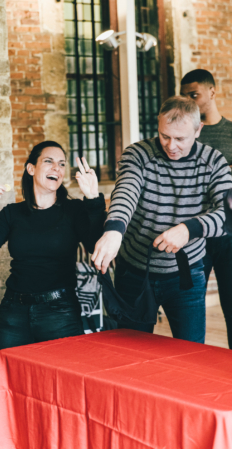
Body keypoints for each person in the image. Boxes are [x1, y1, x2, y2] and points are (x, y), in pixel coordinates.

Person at [91, 96, 232, 343]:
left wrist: (189, 230)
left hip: (186, 276)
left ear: (199, 130)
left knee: (190, 355)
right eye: (164, 135)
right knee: (130, 352)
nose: (170, 145)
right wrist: (114, 230)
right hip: (134, 271)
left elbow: (227, 214)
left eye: (180, 139)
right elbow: (126, 192)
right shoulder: (137, 154)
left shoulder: (213, 161)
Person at [0, 141, 105, 398]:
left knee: (67, 390)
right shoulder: (13, 213)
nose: (57, 167)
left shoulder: (73, 210)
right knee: (3, 389)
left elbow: (97, 246)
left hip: (60, 311)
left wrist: (92, 199)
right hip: (14, 312)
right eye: (49, 161)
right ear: (31, 168)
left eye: (62, 163)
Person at [181, 69, 232, 348]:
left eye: (194, 95)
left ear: (212, 92)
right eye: (184, 95)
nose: (188, 100)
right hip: (194, 233)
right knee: (190, 307)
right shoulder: (184, 135)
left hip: (229, 233)